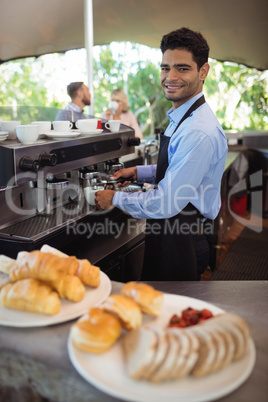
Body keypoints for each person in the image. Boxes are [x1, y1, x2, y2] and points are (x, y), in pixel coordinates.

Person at [95, 27, 228, 281]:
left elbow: (167, 201)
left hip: (183, 240)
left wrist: (114, 199)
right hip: (173, 233)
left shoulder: (197, 130)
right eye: (165, 68)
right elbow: (180, 170)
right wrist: (137, 171)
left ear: (203, 71)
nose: (171, 77)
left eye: (182, 68)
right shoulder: (184, 116)